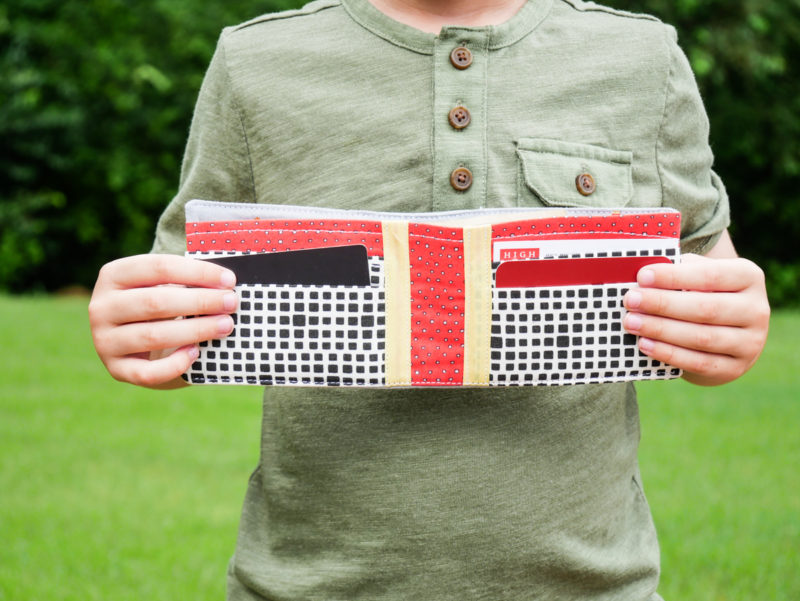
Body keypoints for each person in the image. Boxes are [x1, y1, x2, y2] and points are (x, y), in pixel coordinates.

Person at [88, 0, 770, 599]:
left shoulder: (641, 59)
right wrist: (139, 326)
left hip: (595, 588)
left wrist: (732, 328)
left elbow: (710, 271)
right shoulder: (255, 63)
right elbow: (175, 308)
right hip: (307, 586)